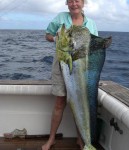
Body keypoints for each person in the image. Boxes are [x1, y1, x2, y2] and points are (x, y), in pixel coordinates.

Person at [42, 0, 98, 150]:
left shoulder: (91, 23)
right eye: (71, 1)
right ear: (67, 3)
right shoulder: (60, 18)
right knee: (60, 103)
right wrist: (55, 38)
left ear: (83, 3)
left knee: (79, 102)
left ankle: (81, 139)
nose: (74, 4)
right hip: (62, 63)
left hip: (82, 70)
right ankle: (51, 139)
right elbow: (47, 35)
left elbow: (94, 48)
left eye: (77, 1)